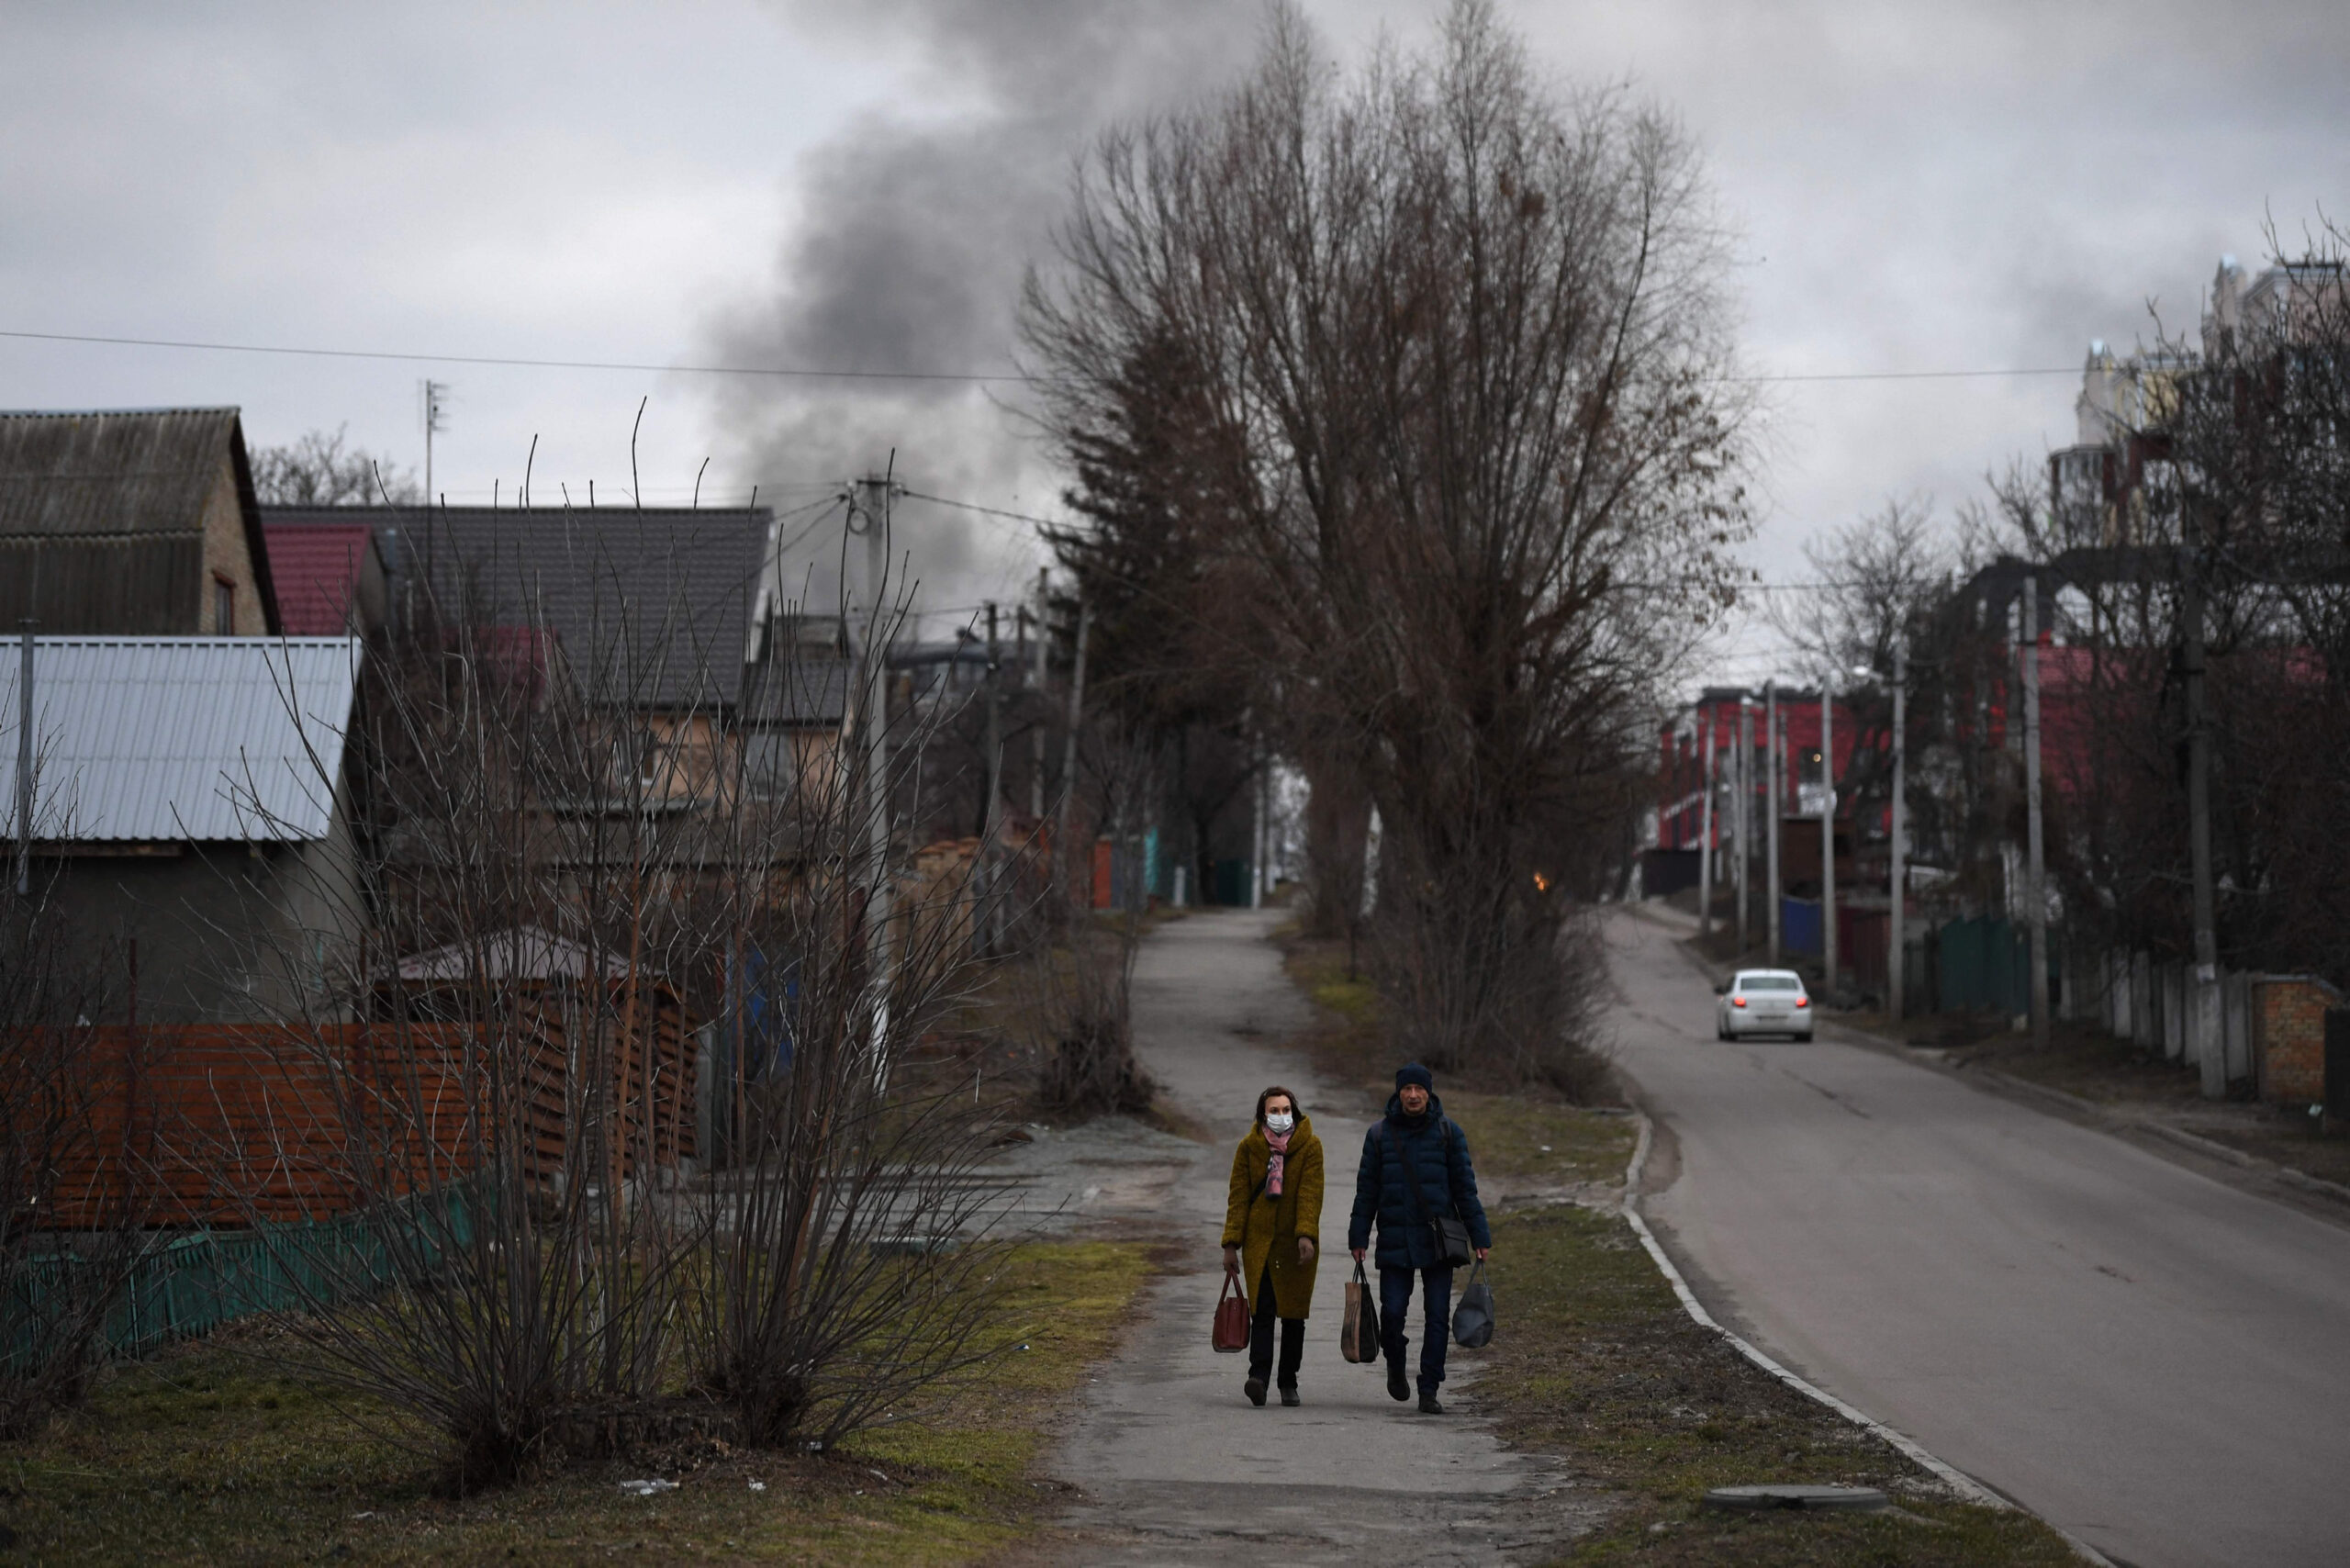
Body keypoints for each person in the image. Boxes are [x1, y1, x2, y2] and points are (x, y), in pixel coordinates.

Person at [1348, 1062, 1490, 1415]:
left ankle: (1429, 1387)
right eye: (1407, 1089)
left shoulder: (1448, 1134)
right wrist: (1359, 1236)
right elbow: (1366, 1191)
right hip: (1396, 1238)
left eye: (1419, 1089)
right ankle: (1395, 1364)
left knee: (1436, 1315)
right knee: (1392, 1313)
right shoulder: (1379, 1135)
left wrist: (1480, 1236)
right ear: (1398, 1093)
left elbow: (1465, 1191)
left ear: (1429, 1092)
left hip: (1438, 1241)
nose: (1413, 1095)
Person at [1221, 1085, 1324, 1407]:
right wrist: (1231, 1243)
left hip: (1295, 1244)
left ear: (1294, 1111)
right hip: (1259, 1243)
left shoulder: (1310, 1147)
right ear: (1262, 1114)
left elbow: (1310, 1193)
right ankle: (1259, 1378)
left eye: (1285, 1110)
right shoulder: (1248, 1148)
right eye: (1273, 1111)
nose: (1280, 1116)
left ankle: (1288, 1381)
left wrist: (1305, 1234)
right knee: (1262, 1311)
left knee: (1293, 1316)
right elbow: (1238, 1197)